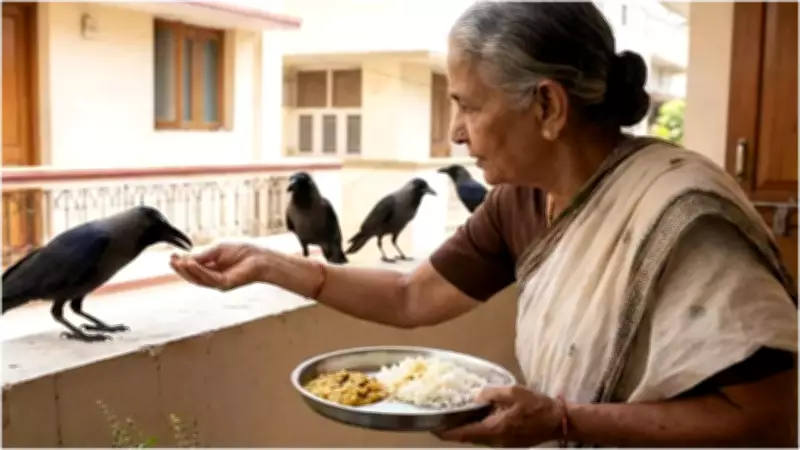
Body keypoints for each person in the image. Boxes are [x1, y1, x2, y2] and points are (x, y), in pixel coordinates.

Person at [170, 1, 798, 447]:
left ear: (547, 106)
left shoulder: (681, 217)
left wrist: (562, 421)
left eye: (468, 105)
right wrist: (271, 264)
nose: (455, 132)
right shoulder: (521, 200)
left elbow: (774, 420)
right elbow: (414, 295)